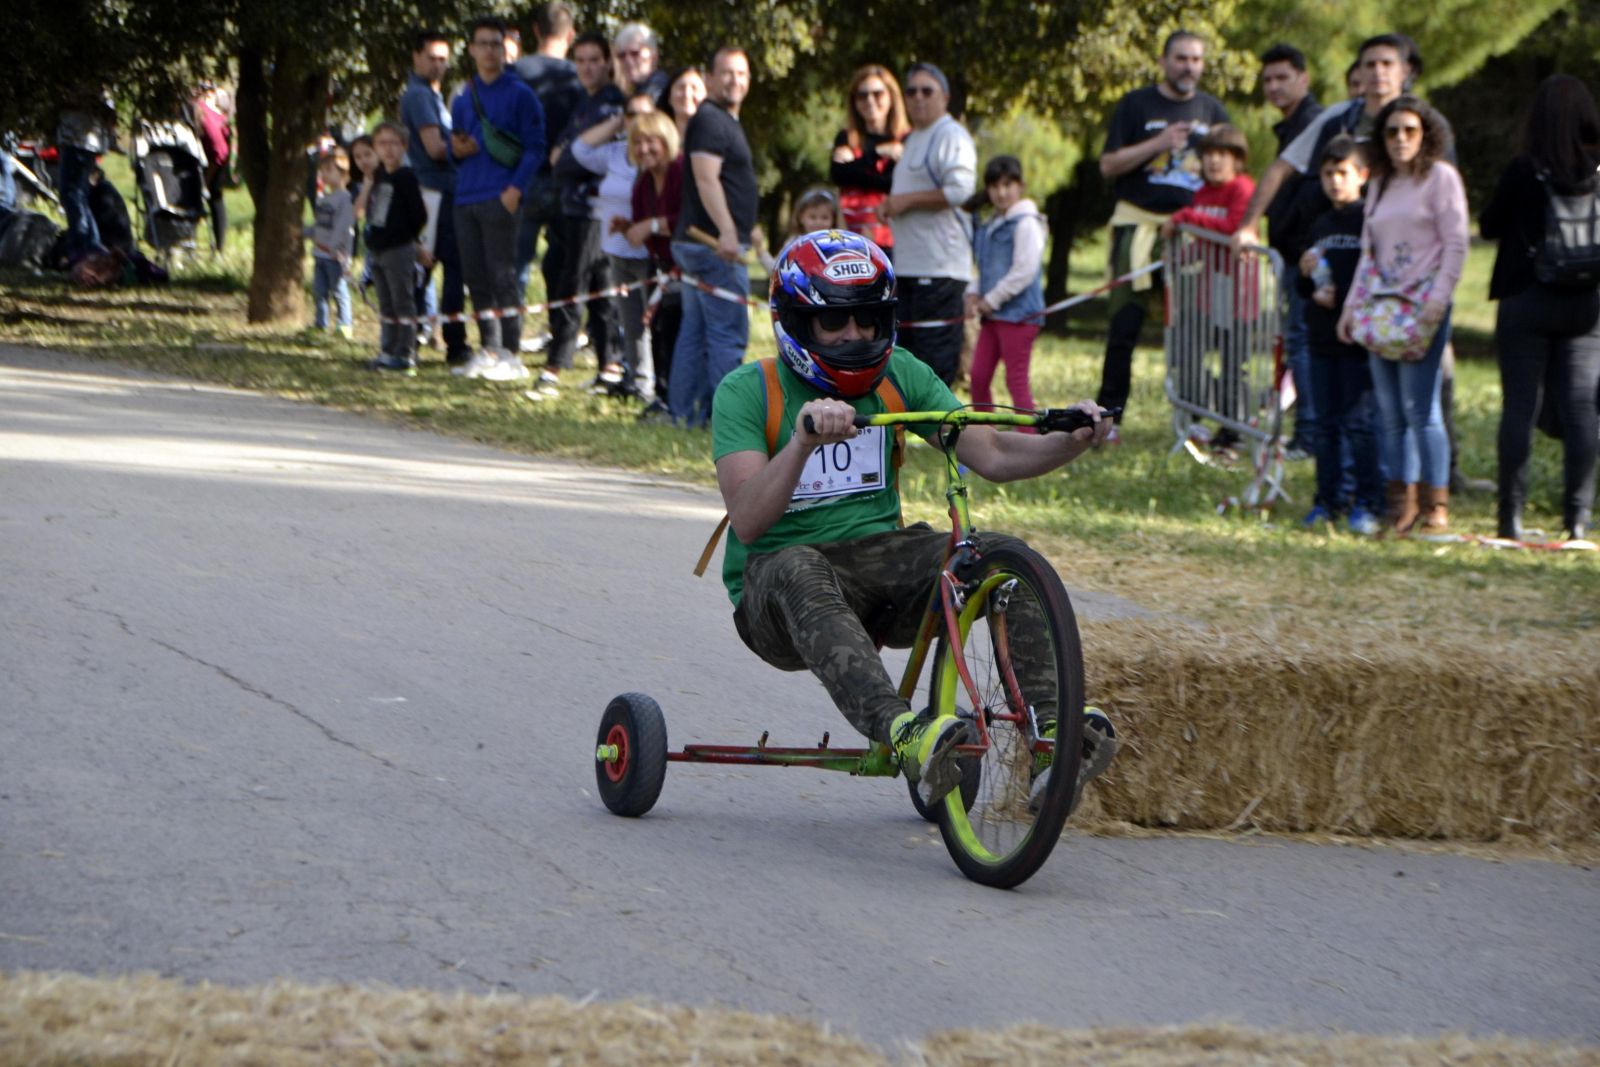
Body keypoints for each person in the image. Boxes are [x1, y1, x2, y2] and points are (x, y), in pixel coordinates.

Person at [709, 229, 1119, 808]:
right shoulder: (747, 392)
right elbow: (748, 521)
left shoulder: (899, 373)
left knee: (997, 555)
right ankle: (904, 733)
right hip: (775, 593)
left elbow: (994, 453)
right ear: (798, 324)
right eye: (837, 323)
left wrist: (1073, 440)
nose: (856, 335)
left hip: (879, 572)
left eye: (869, 320)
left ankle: (1053, 739)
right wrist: (801, 443)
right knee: (800, 566)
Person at [1337, 97, 1468, 534]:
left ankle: (1436, 506)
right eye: (1392, 131)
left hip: (1423, 307)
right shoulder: (1381, 183)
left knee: (1423, 409)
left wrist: (1438, 300)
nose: (1400, 139)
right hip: (1381, 309)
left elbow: (1456, 244)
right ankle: (1402, 504)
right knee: (1390, 414)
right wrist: (1351, 307)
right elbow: (1368, 254)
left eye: (1410, 130)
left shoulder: (1441, 178)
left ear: (1426, 134)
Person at [1481, 75, 1600, 544]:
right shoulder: (1597, 169)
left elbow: (1490, 225)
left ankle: (1510, 517)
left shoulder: (1523, 169)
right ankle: (1577, 518)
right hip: (1587, 303)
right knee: (1580, 410)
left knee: (1520, 407)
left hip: (1525, 296)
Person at [1094, 32, 1229, 420]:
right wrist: (1160, 143)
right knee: (1124, 328)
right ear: (1163, 60)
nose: (1189, 66)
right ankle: (1110, 418)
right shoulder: (1136, 104)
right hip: (1137, 229)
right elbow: (1108, 166)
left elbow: (1234, 167)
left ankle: (1194, 419)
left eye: (1196, 59)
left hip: (1191, 234)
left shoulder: (1212, 111)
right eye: (1182, 58)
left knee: (1192, 329)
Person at [449, 15, 547, 381]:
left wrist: (515, 189)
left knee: (503, 275)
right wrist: (455, 146)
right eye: (483, 43)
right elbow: (453, 141)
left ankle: (511, 353)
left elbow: (536, 147)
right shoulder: (462, 94)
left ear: (506, 48)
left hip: (500, 195)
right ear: (472, 49)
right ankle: (488, 350)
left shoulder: (520, 94)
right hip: (466, 195)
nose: (490, 50)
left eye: (496, 43)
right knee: (475, 277)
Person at [1296, 135, 1381, 536]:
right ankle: (1328, 500)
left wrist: (1343, 297)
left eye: (1342, 173)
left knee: (1360, 425)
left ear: (1362, 175)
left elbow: (1373, 280)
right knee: (1325, 426)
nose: (1334, 181)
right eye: (1328, 173)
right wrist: (1306, 273)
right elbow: (1305, 289)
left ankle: (1367, 501)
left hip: (1357, 341)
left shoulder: (1371, 220)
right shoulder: (1320, 224)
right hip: (1321, 338)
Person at [670, 46, 758, 428]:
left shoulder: (720, 120)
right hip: (711, 247)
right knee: (727, 334)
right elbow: (706, 178)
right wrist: (726, 231)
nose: (734, 80)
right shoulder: (711, 118)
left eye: (740, 73)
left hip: (703, 244)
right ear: (708, 78)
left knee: (697, 331)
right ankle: (724, 421)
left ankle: (685, 415)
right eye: (725, 72)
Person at [878, 62, 976, 385]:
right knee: (909, 357)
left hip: (939, 270)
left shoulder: (950, 134)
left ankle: (940, 433)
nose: (918, 97)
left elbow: (961, 190)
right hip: (910, 266)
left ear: (944, 97)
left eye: (927, 90)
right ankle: (913, 430)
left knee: (933, 363)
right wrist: (892, 205)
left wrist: (905, 201)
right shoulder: (915, 138)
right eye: (911, 91)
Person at [543, 30, 626, 391]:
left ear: (608, 62)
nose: (588, 67)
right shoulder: (583, 103)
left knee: (574, 284)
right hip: (573, 209)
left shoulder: (612, 104)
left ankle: (555, 366)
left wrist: (569, 158)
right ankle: (609, 364)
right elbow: (558, 157)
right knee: (597, 286)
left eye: (595, 60)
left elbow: (580, 160)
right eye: (581, 60)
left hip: (595, 209)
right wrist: (568, 158)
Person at [1162, 124, 1256, 435]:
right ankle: (1195, 421)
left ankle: (1231, 432)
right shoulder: (1201, 192)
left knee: (1232, 366)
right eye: (1209, 155)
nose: (1214, 161)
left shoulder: (1243, 188)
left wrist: (1185, 217)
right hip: (1206, 291)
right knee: (1189, 355)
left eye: (1222, 154)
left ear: (1237, 159)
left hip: (1237, 295)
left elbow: (1233, 227)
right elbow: (1202, 242)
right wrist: (1176, 258)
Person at [1257, 44, 1322, 458]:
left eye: (1283, 77)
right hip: (1292, 253)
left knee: (1304, 346)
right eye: (1268, 79)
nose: (1275, 86)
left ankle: (1309, 435)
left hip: (1307, 255)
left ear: (1304, 79)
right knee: (1297, 344)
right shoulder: (1289, 126)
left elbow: (1312, 194)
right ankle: (1306, 432)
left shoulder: (1313, 124)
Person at [574, 92, 660, 402]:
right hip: (617, 249)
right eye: (631, 115)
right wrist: (615, 123)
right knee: (630, 320)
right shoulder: (614, 152)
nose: (637, 122)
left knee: (653, 322)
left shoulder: (657, 156)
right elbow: (580, 149)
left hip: (648, 253)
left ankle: (655, 385)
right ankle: (638, 382)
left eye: (644, 115)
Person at [400, 29, 468, 368]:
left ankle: (425, 341)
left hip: (443, 192)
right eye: (431, 58)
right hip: (432, 193)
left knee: (447, 271)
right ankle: (446, 343)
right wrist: (473, 147)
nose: (438, 65)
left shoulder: (433, 95)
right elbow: (435, 148)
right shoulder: (419, 96)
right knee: (432, 269)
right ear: (416, 57)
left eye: (443, 59)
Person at [512, 2, 582, 331]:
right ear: (571, 34)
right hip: (568, 182)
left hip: (523, 179)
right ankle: (560, 331)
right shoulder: (580, 77)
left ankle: (509, 334)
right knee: (564, 264)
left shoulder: (516, 73)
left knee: (517, 263)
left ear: (536, 31)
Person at [964, 155, 1046, 420]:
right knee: (977, 377)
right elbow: (986, 267)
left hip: (1019, 316)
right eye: (995, 186)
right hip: (994, 316)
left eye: (1007, 185)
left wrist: (993, 299)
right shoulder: (991, 225)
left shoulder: (1026, 223)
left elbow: (1024, 270)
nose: (1001, 192)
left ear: (1020, 186)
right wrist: (974, 292)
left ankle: (1030, 442)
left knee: (1016, 381)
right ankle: (986, 438)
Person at [623, 108, 684, 418]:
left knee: (674, 331)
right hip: (660, 269)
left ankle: (678, 400)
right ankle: (662, 397)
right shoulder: (642, 183)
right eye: (637, 143)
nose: (644, 149)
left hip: (688, 269)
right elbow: (639, 224)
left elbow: (689, 219)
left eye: (651, 141)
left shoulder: (681, 170)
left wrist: (654, 225)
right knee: (658, 330)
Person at [365, 123, 430, 374]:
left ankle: (405, 353)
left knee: (402, 301)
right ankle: (388, 349)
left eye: (394, 143)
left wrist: (408, 238)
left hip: (398, 247)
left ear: (404, 147)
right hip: (378, 248)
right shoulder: (380, 177)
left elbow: (419, 214)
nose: (388, 149)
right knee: (386, 302)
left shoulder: (406, 177)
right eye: (382, 143)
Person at [830, 65, 909, 254]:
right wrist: (878, 153)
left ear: (891, 97)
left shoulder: (906, 138)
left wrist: (856, 167)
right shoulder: (846, 137)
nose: (869, 100)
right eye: (862, 95)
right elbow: (838, 175)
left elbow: (893, 183)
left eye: (877, 94)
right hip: (849, 241)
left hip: (894, 240)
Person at [56, 93, 116, 260]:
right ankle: (91, 245)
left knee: (71, 194)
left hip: (79, 138)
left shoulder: (86, 79)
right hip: (81, 138)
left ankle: (83, 246)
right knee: (77, 194)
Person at [306, 147, 355, 338]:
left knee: (339, 290)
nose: (324, 175)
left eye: (329, 170)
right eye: (322, 171)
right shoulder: (323, 198)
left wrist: (337, 249)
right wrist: (306, 232)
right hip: (319, 253)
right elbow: (320, 225)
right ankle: (321, 322)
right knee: (319, 290)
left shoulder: (345, 199)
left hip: (336, 255)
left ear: (343, 172)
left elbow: (343, 226)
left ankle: (345, 325)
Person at [752, 186, 842, 272]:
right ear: (801, 217)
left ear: (833, 219)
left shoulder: (838, 244)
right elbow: (775, 270)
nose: (818, 222)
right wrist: (759, 248)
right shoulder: (794, 243)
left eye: (825, 217)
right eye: (812, 217)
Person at [191, 83, 233, 252]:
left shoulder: (203, 112)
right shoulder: (208, 111)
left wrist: (206, 181)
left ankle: (217, 246)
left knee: (209, 197)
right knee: (214, 199)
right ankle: (217, 247)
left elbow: (219, 150)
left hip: (214, 163)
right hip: (208, 160)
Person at [613, 23, 670, 102]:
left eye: (635, 53)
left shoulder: (661, 93)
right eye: (621, 55)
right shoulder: (636, 92)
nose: (628, 60)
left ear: (654, 55)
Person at [665, 66, 706, 143]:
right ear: (669, 97)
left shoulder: (715, 138)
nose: (687, 94)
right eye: (681, 88)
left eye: (694, 88)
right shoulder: (659, 140)